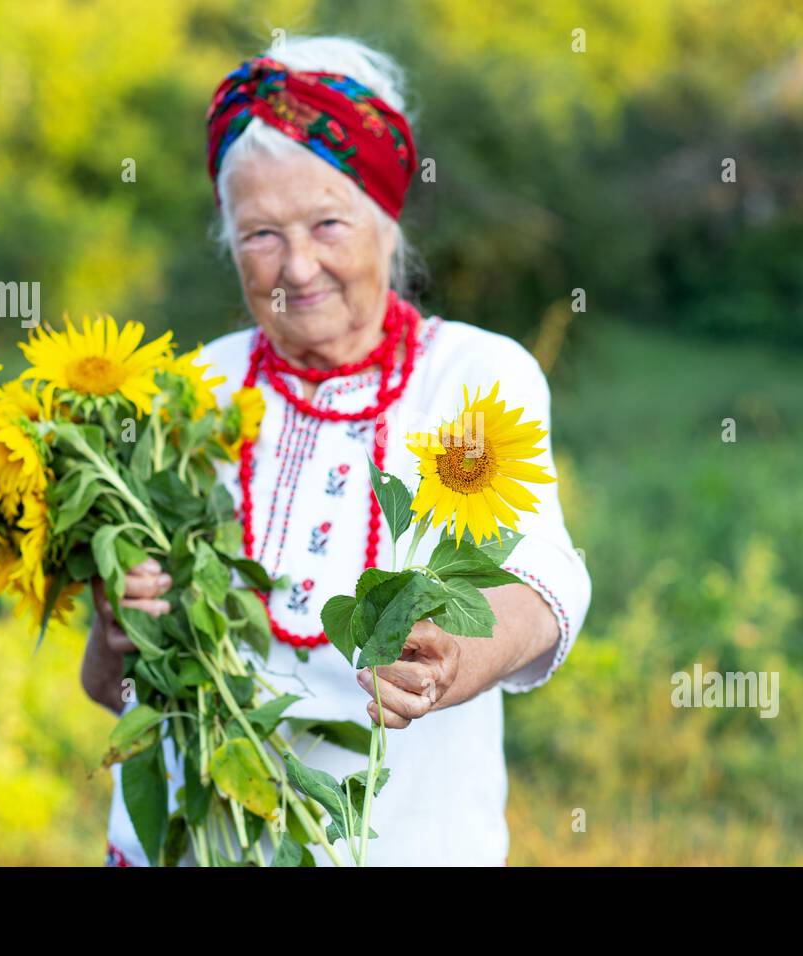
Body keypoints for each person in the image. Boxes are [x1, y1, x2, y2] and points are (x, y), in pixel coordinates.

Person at [79, 34, 591, 866]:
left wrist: (454, 654)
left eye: (327, 222)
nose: (298, 266)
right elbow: (109, 688)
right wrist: (118, 630)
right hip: (187, 844)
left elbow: (542, 578)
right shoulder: (188, 391)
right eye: (259, 235)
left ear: (387, 222)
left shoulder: (472, 373)